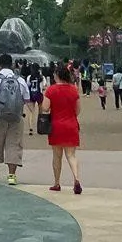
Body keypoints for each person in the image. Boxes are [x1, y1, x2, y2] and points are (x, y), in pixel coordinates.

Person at [0, 52, 31, 185]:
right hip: (16, 117)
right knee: (14, 144)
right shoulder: (20, 80)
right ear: (13, 65)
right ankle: (11, 175)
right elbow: (27, 99)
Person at [44, 61, 82, 195]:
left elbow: (45, 108)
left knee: (57, 156)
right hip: (71, 125)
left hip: (56, 125)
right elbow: (78, 110)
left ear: (57, 75)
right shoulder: (74, 89)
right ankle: (76, 179)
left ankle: (57, 182)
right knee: (71, 155)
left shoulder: (51, 90)